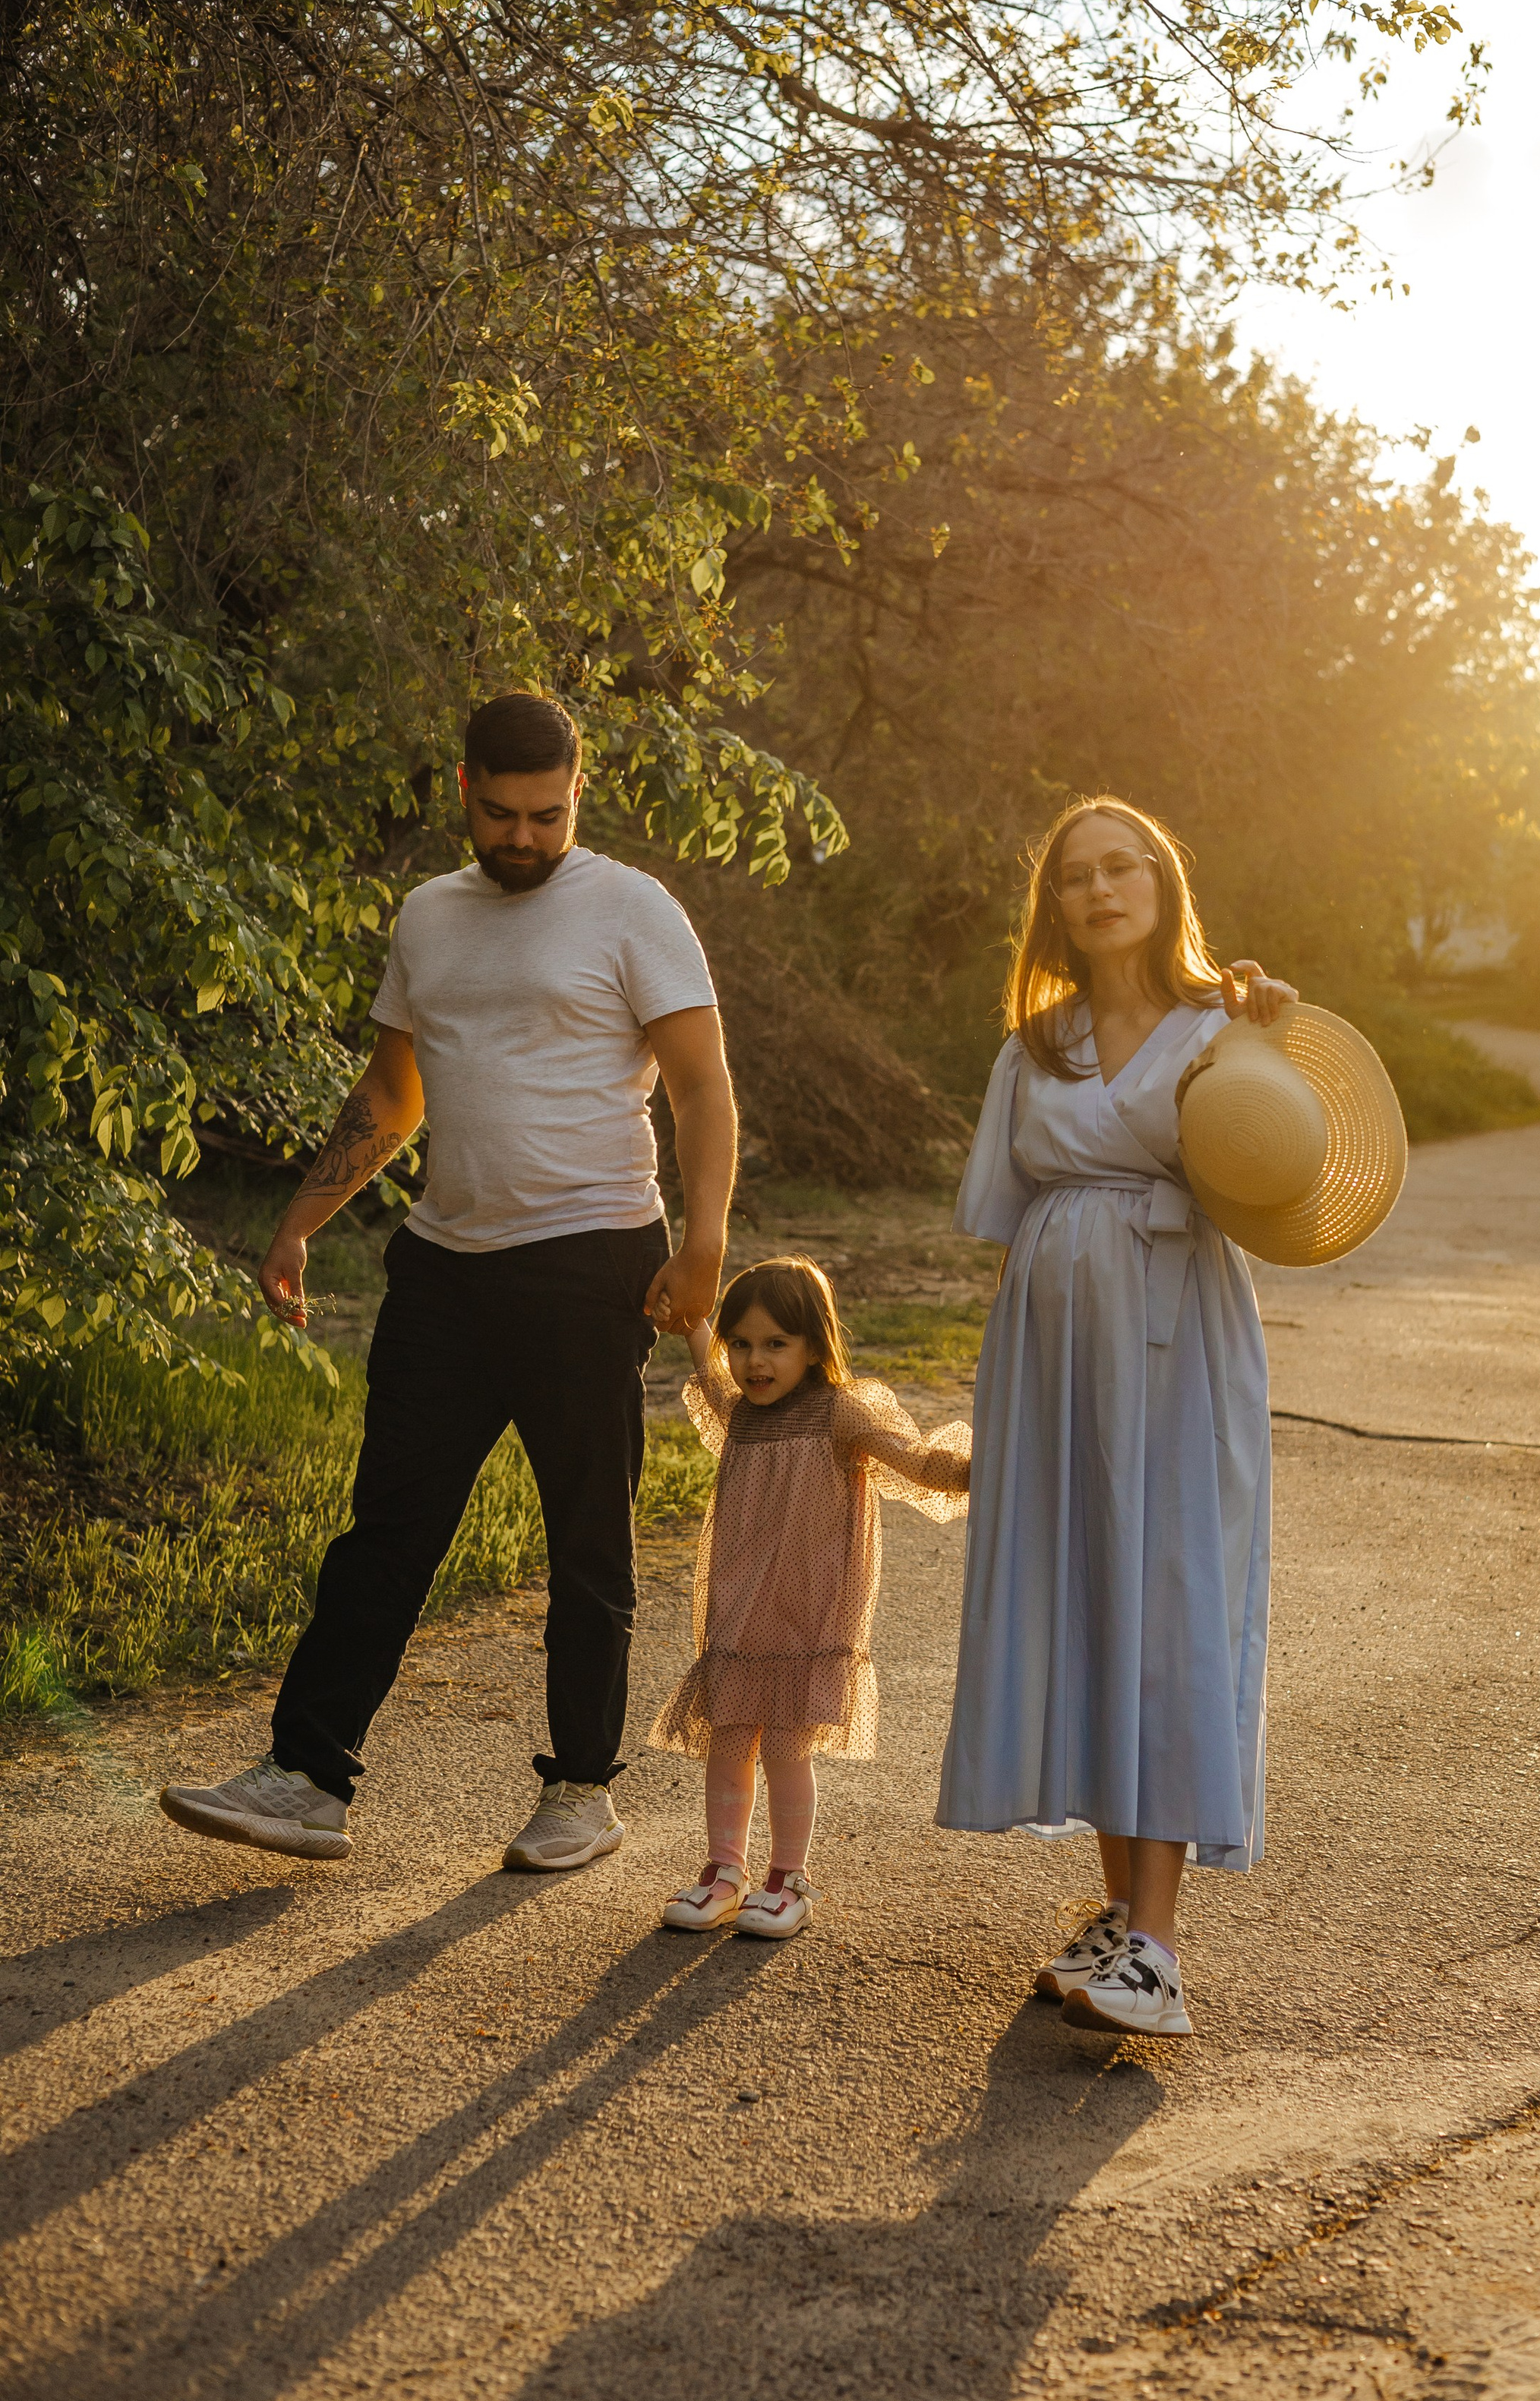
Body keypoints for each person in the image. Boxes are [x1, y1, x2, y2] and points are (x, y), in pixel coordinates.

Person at [160, 691, 737, 1874]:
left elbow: (701, 1089)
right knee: (388, 1528)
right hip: (445, 1267)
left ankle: (581, 1788)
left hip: (590, 1261)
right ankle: (308, 1778)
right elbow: (393, 1093)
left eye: (547, 813)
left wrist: (705, 1245)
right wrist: (299, 1218)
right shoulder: (430, 914)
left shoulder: (633, 908)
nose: (523, 836)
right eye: (502, 812)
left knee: (588, 1540)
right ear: (462, 785)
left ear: (580, 790)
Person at [936, 797, 1294, 2039]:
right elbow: (1003, 1214)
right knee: (1088, 1598)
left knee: (1167, 1602)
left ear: (1162, 882)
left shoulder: (1221, 1028)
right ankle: (1114, 1917)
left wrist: (1277, 1047)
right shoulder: (1036, 1044)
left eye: (1122, 866)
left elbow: (1287, 1175)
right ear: (1056, 911)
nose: (1100, 888)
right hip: (1050, 1349)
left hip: (1176, 1336)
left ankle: (1158, 1944)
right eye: (1076, 876)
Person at [655, 1258, 971, 1939]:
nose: (753, 1361)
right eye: (740, 1343)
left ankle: (787, 1877)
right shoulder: (741, 1414)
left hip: (807, 1612)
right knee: (730, 1740)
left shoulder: (841, 1412)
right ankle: (724, 1870)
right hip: (740, 1609)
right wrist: (692, 1324)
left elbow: (913, 1461)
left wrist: (979, 1467)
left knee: (786, 1749)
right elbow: (711, 1385)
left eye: (775, 1343)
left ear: (814, 1346)